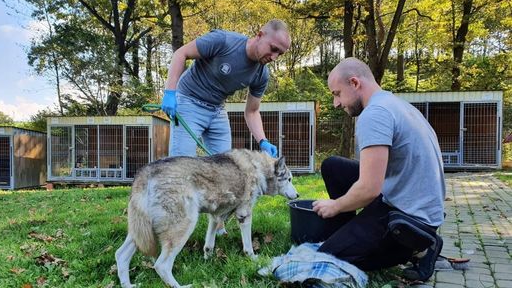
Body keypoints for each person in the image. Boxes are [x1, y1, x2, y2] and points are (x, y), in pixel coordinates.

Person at [312, 57, 446, 281]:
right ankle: (346, 231)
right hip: (407, 195)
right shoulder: (396, 104)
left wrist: (335, 206)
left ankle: (419, 246)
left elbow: (368, 189)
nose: (336, 103)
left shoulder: (375, 114)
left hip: (410, 218)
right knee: (333, 166)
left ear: (354, 83)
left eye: (337, 93)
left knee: (331, 256)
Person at [161, 19, 291, 234]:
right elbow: (181, 54)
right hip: (189, 101)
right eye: (273, 49)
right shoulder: (223, 41)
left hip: (217, 109)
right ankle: (173, 225)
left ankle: (217, 226)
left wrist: (263, 140)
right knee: (181, 166)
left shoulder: (261, 74)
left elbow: (252, 111)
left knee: (226, 171)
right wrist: (170, 92)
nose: (274, 57)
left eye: (280, 54)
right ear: (260, 35)